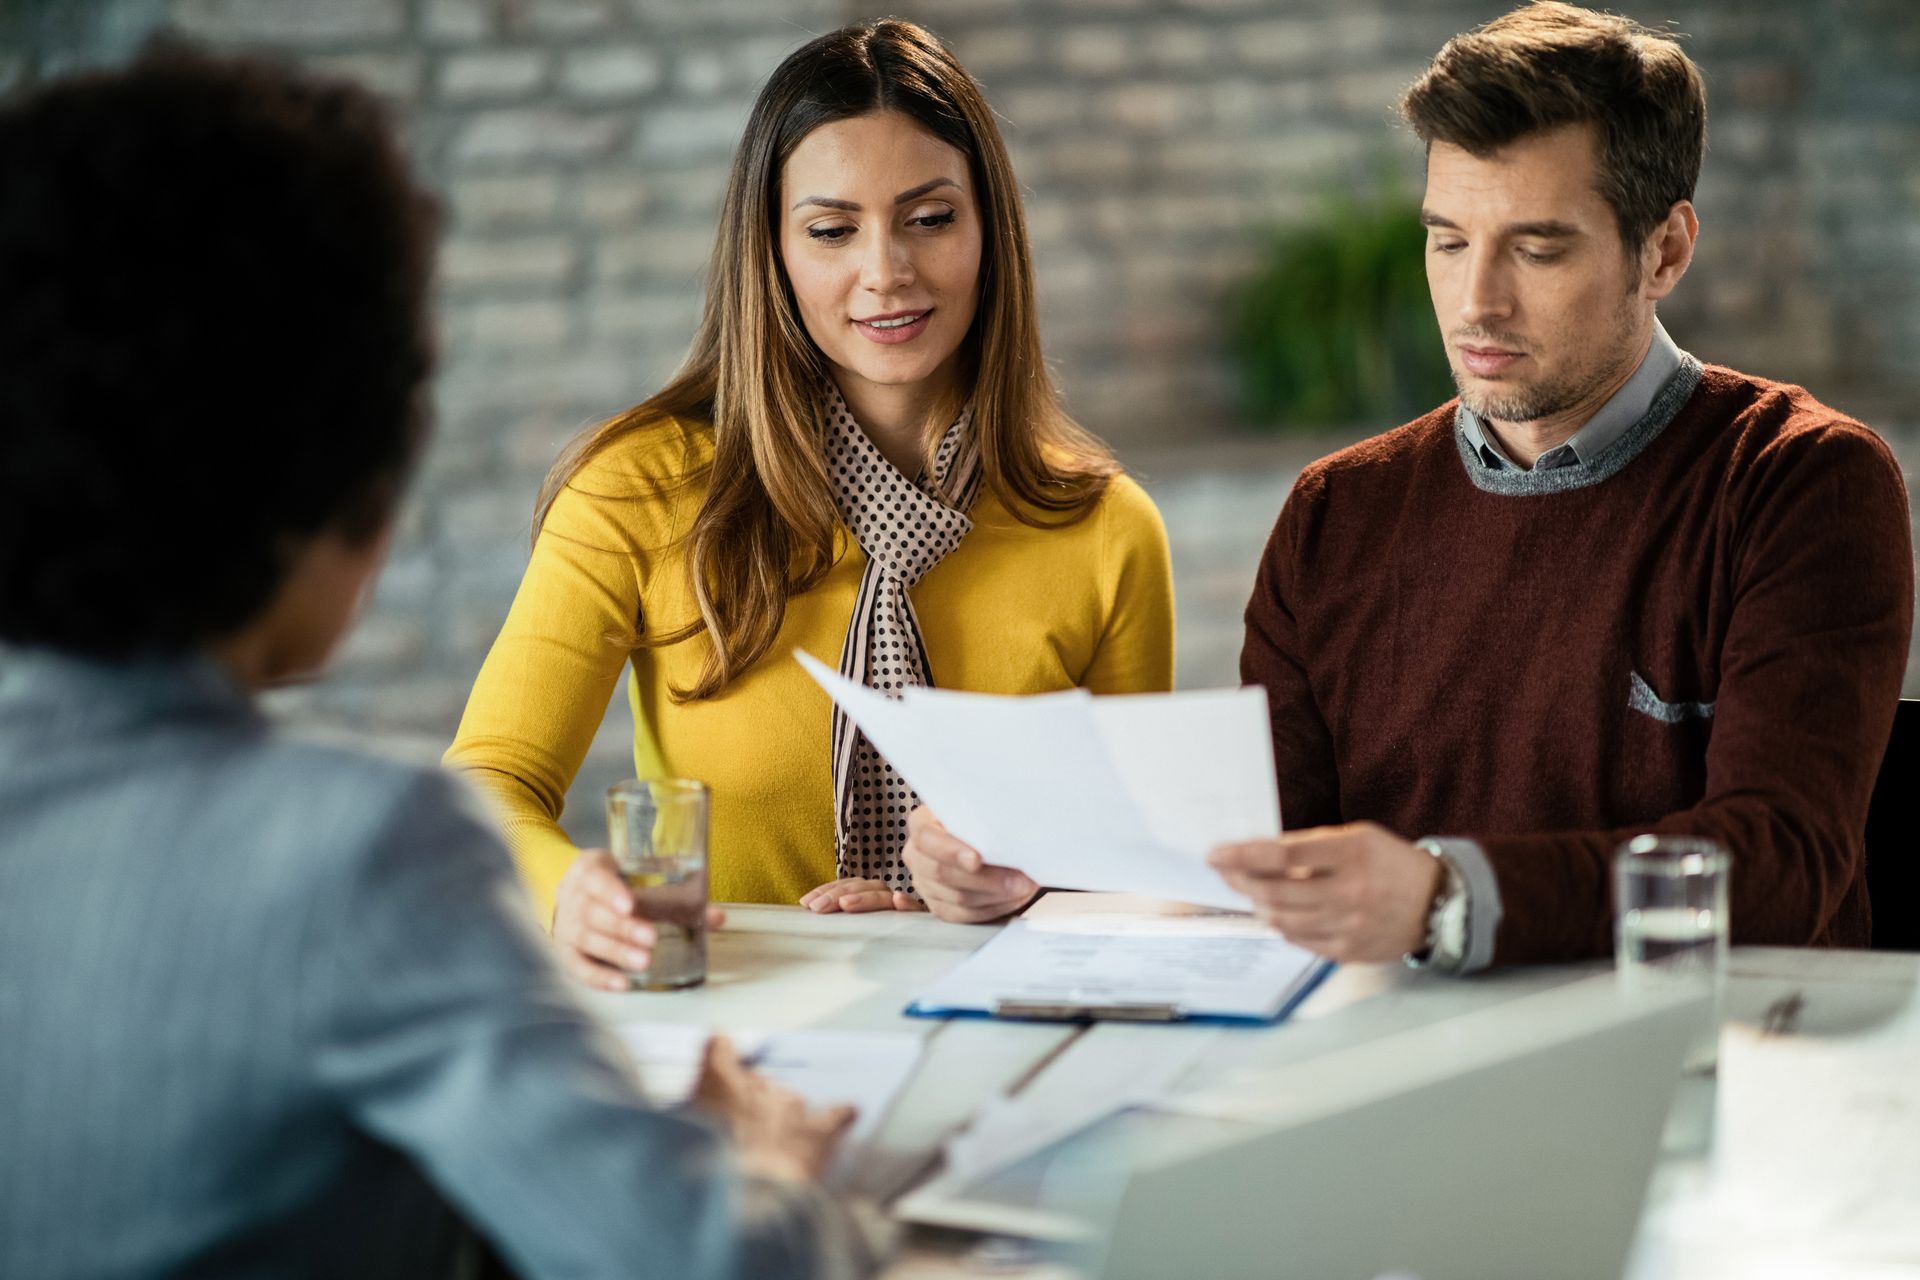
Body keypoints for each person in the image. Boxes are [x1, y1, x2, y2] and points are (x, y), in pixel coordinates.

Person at [0, 45, 884, 1278]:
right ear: (352, 476)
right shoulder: (361, 855)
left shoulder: (1099, 519)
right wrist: (772, 1169)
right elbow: (706, 1262)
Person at [907, 0, 1914, 965]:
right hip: (1389, 1067)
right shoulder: (1337, 512)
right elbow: (1263, 855)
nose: (1477, 300)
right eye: (1448, 240)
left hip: (1713, 1072)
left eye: (1538, 246)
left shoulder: (1800, 483)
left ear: (1666, 251)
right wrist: (1036, 879)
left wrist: (1445, 896)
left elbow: (1781, 858)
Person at [446, 20, 1174, 990]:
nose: (886, 271)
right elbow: (487, 781)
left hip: (1001, 1038)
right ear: (774, 250)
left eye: (929, 217)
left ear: (989, 230)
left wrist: (1021, 889)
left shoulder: (1109, 530)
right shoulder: (637, 492)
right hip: (726, 1040)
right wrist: (567, 889)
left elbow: (1136, 872)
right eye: (833, 230)